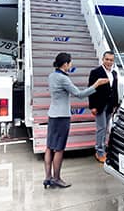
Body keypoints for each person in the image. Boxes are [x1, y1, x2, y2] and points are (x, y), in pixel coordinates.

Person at [44, 52, 109, 189]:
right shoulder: (64, 79)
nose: (71, 65)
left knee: (49, 147)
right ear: (65, 64)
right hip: (62, 117)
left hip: (52, 115)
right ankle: (56, 178)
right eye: (70, 63)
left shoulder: (51, 76)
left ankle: (48, 178)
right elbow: (79, 94)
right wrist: (96, 85)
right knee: (59, 149)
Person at [88, 51, 119, 163]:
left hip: (110, 105)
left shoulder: (114, 73)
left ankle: (103, 148)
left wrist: (115, 104)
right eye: (107, 59)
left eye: (111, 60)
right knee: (101, 128)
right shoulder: (96, 72)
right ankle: (99, 151)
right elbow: (91, 90)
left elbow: (114, 90)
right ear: (103, 59)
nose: (109, 62)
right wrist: (92, 106)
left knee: (106, 128)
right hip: (99, 105)